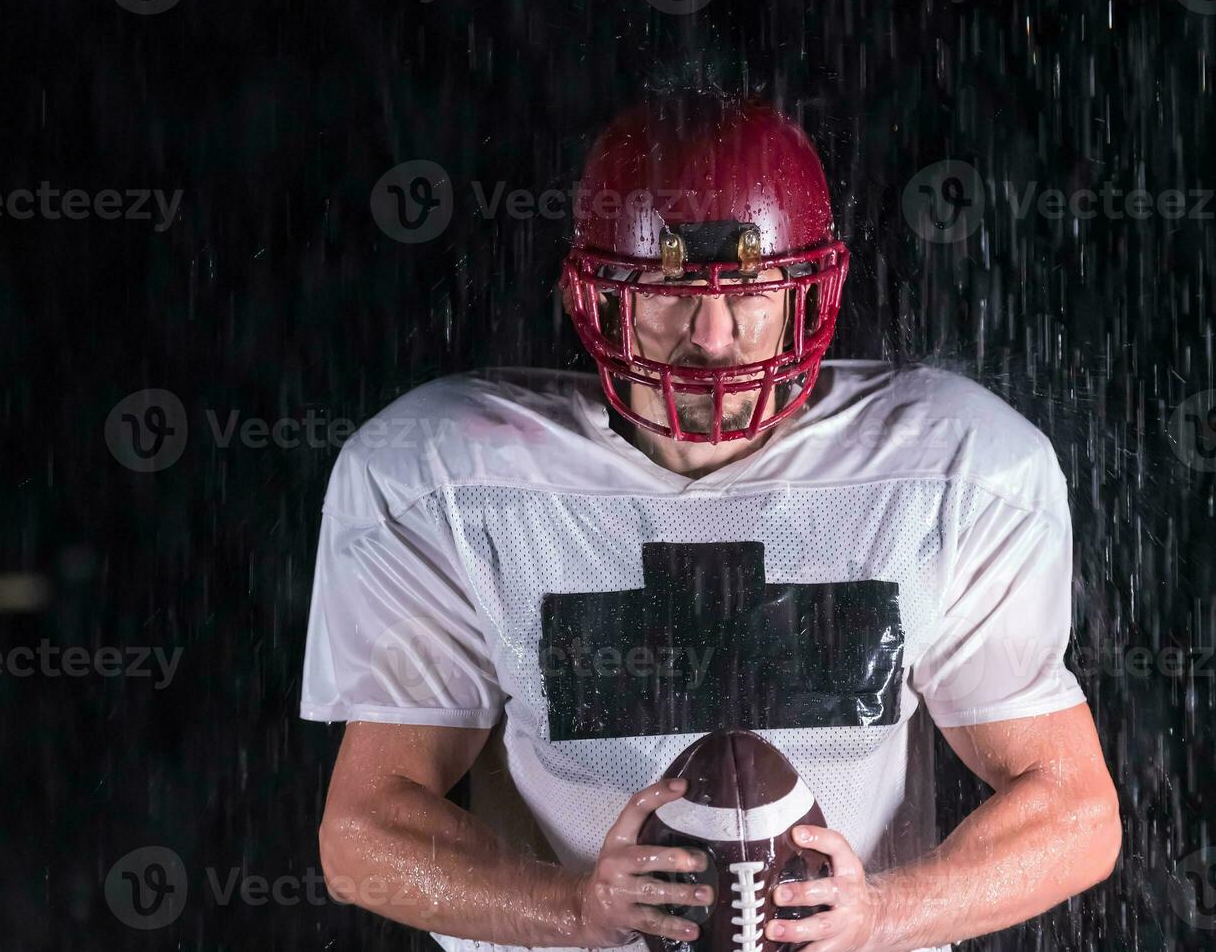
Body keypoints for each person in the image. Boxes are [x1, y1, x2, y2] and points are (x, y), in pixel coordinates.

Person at [300, 93, 1120, 951]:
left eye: (754, 288)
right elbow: (362, 837)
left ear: (812, 289)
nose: (713, 334)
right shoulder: (451, 478)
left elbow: (1078, 812)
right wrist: (573, 910)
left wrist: (885, 914)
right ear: (598, 297)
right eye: (669, 286)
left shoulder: (950, 470)